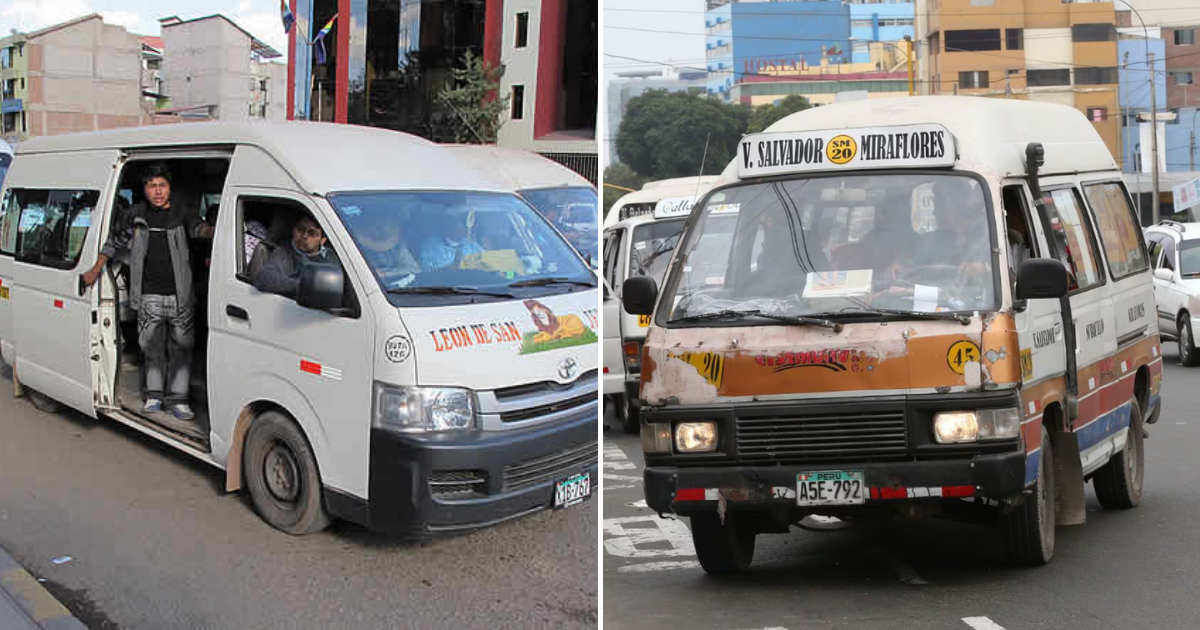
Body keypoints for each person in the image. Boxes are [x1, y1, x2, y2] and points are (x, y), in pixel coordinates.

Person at [80, 163, 214, 421]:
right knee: (152, 349)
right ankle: (154, 396)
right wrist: (95, 270)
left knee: (181, 350)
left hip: (181, 297)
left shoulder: (182, 213)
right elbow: (113, 241)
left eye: (162, 185)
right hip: (148, 296)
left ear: (169, 188)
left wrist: (215, 230)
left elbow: (199, 230)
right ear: (145, 189)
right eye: (152, 186)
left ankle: (178, 399)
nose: (158, 191)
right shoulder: (135, 215)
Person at [253, 215, 340, 299]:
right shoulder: (284, 252)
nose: (304, 236)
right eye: (301, 230)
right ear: (293, 230)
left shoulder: (332, 257)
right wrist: (304, 286)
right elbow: (264, 278)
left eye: (312, 233)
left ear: (322, 240)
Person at [356, 213, 419, 284]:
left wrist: (386, 273)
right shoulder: (356, 248)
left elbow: (415, 270)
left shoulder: (398, 247)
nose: (377, 230)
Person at [419, 205, 483, 270]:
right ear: (447, 224)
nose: (460, 225)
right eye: (456, 221)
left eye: (463, 222)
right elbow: (426, 272)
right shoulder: (431, 248)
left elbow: (486, 263)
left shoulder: (472, 246)